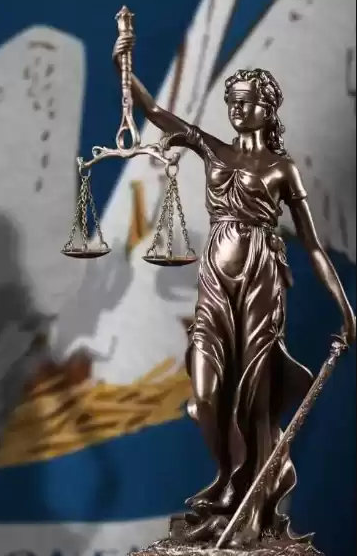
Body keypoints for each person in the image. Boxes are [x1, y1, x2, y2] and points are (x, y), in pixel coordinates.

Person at [113, 39, 356, 547]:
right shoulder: (212, 149)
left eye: (246, 101)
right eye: (232, 101)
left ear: (268, 107)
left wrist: (346, 310)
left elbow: (313, 246)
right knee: (206, 395)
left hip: (261, 280)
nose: (237, 109)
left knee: (255, 399)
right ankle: (228, 488)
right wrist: (125, 66)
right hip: (216, 281)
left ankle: (252, 509)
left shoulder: (281, 168)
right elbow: (156, 113)